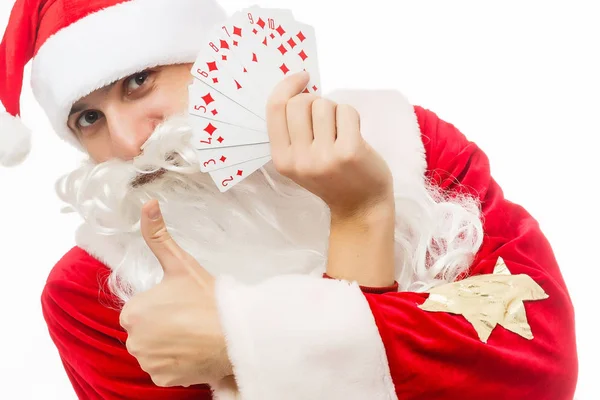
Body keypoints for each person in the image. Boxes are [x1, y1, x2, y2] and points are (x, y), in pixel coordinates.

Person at [0, 0, 578, 399]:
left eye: (138, 81)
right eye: (89, 118)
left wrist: (237, 340)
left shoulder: (409, 140)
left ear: (213, 56)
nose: (128, 140)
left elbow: (537, 367)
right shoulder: (87, 294)